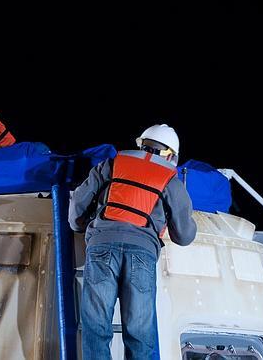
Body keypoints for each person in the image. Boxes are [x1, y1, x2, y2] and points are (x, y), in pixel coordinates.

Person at [68, 124, 197, 359]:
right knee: (139, 333)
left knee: (95, 327)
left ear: (142, 144)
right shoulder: (170, 180)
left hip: (101, 248)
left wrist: (80, 226)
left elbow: (77, 204)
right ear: (171, 155)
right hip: (142, 255)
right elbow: (185, 235)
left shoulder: (111, 165)